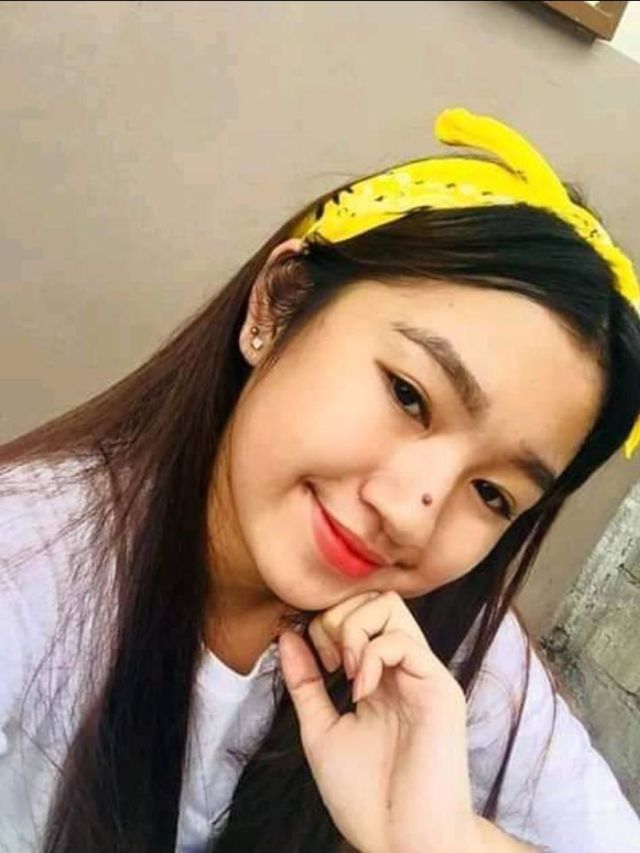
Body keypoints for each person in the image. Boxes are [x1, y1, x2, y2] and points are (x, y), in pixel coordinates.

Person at [1, 107, 639, 853]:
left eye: (493, 494)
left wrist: (441, 839)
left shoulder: (448, 652)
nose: (412, 515)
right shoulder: (25, 572)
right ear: (281, 303)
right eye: (409, 395)